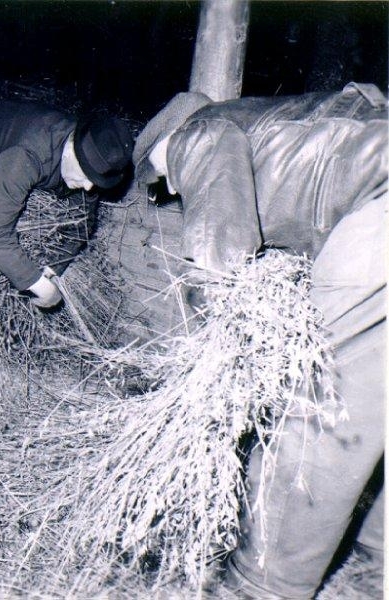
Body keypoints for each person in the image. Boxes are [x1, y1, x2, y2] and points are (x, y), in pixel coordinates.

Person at [133, 82, 387, 598]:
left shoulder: (195, 135)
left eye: (162, 183)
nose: (171, 192)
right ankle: (377, 540)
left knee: (318, 395)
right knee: (374, 390)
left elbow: (221, 259)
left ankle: (266, 580)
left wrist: (214, 358)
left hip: (381, 206)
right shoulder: (270, 124)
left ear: (160, 150)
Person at [0, 98, 134, 308]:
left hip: (10, 152)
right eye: (86, 175)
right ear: (72, 148)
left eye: (96, 180)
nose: (89, 187)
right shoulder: (29, 154)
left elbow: (82, 223)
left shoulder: (91, 155)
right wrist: (42, 288)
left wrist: (53, 268)